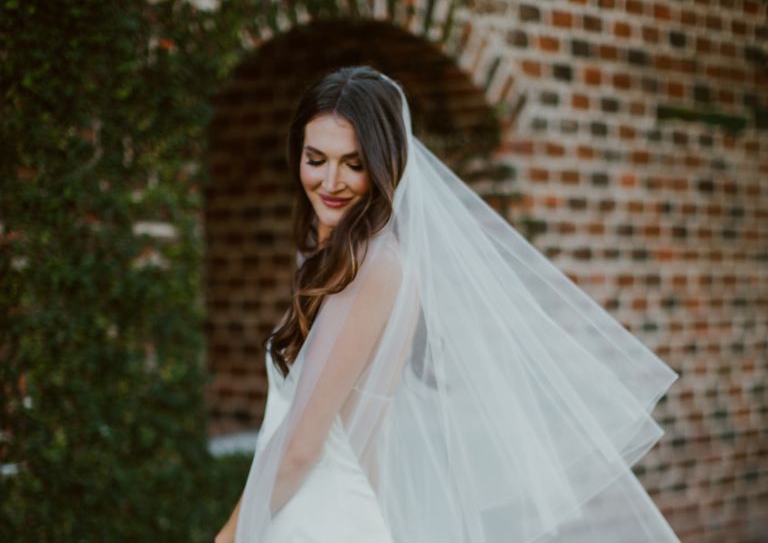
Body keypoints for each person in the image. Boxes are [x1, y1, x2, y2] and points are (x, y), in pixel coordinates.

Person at [216, 66, 682, 543]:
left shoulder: (367, 267)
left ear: (384, 166)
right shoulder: (357, 258)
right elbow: (366, 438)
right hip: (325, 512)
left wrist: (229, 535)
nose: (330, 181)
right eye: (316, 159)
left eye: (353, 165)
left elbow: (301, 446)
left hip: (314, 517)